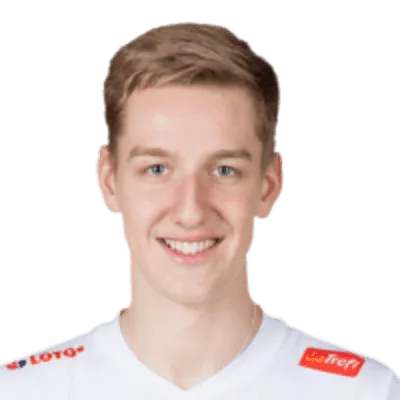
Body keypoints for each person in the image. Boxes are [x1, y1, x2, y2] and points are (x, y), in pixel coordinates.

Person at [1, 21, 399, 400]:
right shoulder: (21, 392)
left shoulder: (365, 393)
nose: (190, 211)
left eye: (224, 170)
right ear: (109, 181)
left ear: (268, 185)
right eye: (157, 169)